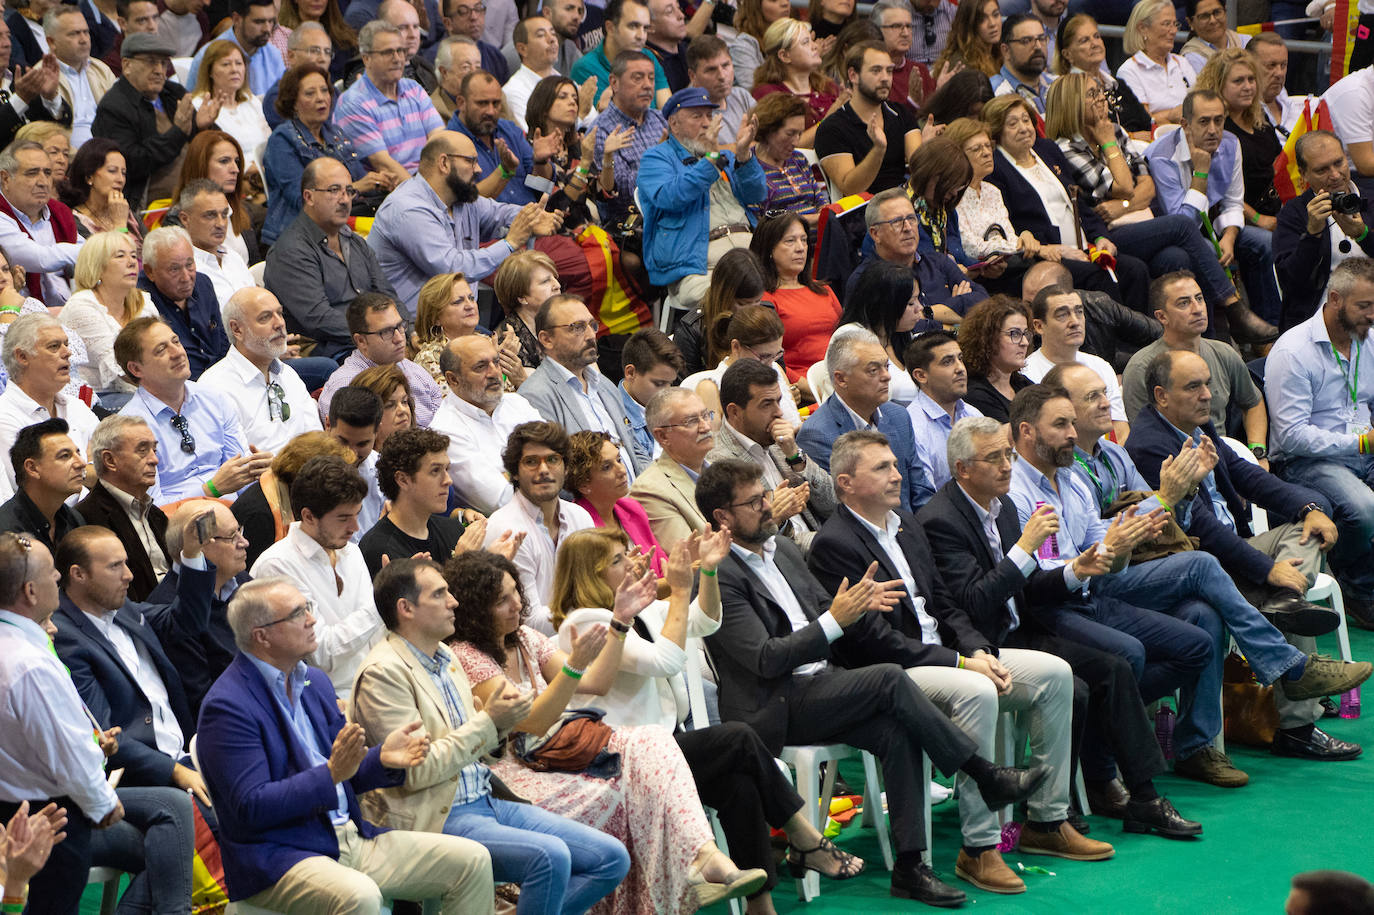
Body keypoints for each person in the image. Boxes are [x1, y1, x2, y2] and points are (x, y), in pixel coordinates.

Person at [695, 457, 1051, 906]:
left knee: (896, 730)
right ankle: (982, 773)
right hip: (774, 705)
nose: (768, 507)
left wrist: (859, 605)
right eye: (753, 503)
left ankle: (910, 867)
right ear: (722, 517)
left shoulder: (783, 550)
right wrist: (834, 620)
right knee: (888, 680)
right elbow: (766, 660)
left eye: (765, 496)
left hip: (820, 684)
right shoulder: (718, 574)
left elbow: (828, 606)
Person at [810, 429, 1107, 893]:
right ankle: (980, 847)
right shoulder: (834, 543)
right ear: (845, 483)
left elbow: (947, 605)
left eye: (894, 464)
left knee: (1055, 674)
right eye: (881, 468)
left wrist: (980, 651)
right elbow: (873, 643)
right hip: (897, 672)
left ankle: (1047, 822)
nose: (895, 475)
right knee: (976, 689)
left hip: (949, 655)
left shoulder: (905, 523)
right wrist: (963, 664)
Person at [916, 415, 1204, 843]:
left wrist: (1075, 571)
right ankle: (1056, 806)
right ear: (962, 469)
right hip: (983, 643)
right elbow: (975, 604)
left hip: (1023, 626)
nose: (1007, 466)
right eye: (993, 458)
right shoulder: (941, 520)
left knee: (1114, 667)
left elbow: (1028, 589)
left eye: (1008, 455)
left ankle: (1141, 796)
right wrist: (1025, 548)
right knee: (1081, 687)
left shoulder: (1004, 506)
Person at [551, 527, 863, 915]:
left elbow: (705, 622)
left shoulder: (636, 609)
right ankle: (802, 835)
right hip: (626, 760)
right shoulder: (586, 620)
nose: (631, 563)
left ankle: (761, 905)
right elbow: (666, 660)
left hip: (665, 747)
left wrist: (709, 574)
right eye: (617, 560)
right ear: (589, 574)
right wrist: (680, 590)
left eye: (625, 553)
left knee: (739, 784)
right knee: (738, 739)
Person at [446, 549, 767, 915]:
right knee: (628, 785)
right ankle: (685, 876)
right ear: (474, 609)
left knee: (652, 741)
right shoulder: (467, 655)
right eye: (502, 600)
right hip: (512, 774)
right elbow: (531, 721)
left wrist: (619, 623)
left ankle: (703, 858)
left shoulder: (526, 638)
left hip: (557, 751)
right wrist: (575, 666)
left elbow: (595, 682)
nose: (516, 604)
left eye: (515, 591)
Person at [197, 576, 496, 913]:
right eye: (297, 614)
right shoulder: (228, 706)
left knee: (471, 861)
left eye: (308, 608)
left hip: (348, 837)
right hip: (281, 856)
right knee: (361, 896)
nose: (312, 619)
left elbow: (346, 774)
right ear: (261, 635)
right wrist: (330, 773)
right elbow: (251, 807)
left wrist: (382, 759)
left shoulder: (314, 682)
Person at [351, 556, 630, 915]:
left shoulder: (445, 656)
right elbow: (415, 773)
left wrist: (499, 725)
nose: (453, 601)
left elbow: (481, 749)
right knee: (550, 857)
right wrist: (489, 723)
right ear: (406, 608)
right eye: (439, 595)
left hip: (483, 797)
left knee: (610, 858)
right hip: (436, 813)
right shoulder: (383, 673)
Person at [1125, 350, 1367, 762]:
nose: (1208, 395)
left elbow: (1249, 475)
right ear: (1162, 396)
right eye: (1194, 387)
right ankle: (1298, 727)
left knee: (1303, 537)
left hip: (1233, 550)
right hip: (1195, 562)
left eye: (1208, 384)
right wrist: (1266, 569)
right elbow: (1202, 528)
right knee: (1284, 583)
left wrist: (1310, 509)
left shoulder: (1197, 425)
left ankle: (1285, 604)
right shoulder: (1150, 446)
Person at [1046, 71, 1249, 325]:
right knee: (1182, 225)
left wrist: (1124, 205)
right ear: (1070, 103)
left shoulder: (1116, 130)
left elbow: (1147, 185)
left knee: (1178, 258)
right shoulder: (1067, 148)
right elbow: (1125, 185)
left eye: (1100, 92)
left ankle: (1201, 341)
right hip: (1109, 235)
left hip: (1142, 226)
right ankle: (1232, 306)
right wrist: (1109, 144)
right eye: (1092, 94)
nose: (1101, 99)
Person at [0, 531, 131, 915]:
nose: (58, 577)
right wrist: (104, 804)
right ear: (30, 591)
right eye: (51, 574)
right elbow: (67, 754)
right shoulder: (28, 664)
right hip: (47, 822)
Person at [53, 523, 212, 801]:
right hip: (151, 775)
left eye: (126, 563)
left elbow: (187, 622)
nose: (129, 575)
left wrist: (192, 554)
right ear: (78, 574)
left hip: (188, 751)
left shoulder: (122, 607)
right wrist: (174, 771)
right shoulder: (65, 639)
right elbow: (104, 733)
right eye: (115, 566)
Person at [1265, 257, 1374, 629]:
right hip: (1304, 461)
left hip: (1363, 448)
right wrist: (1359, 444)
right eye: (1364, 306)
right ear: (1335, 299)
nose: (1371, 315)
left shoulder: (1369, 339)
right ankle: (1358, 588)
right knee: (1363, 507)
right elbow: (1291, 435)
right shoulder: (1293, 351)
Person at [984, 94, 1153, 316]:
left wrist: (1101, 237)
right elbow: (1008, 226)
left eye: (1026, 120)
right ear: (998, 132)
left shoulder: (1047, 150)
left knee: (1135, 270)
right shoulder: (997, 169)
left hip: (1084, 247)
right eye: (1012, 124)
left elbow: (1079, 203)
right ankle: (1115, 346)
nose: (1024, 128)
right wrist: (1046, 249)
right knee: (1099, 277)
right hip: (1048, 254)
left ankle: (1139, 338)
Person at [368, 131, 561, 316]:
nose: (478, 169)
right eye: (470, 161)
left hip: (455, 326)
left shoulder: (461, 198)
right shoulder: (408, 209)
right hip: (411, 334)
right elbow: (452, 268)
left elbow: (498, 212)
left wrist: (533, 217)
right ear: (444, 163)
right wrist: (510, 243)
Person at [1145, 88, 1283, 334]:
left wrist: (1229, 237)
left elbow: (1233, 201)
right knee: (1207, 250)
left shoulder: (1230, 143)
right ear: (1185, 124)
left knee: (1263, 242)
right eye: (1204, 122)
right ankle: (1214, 336)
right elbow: (1182, 222)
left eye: (1218, 120)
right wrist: (1201, 172)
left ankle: (1269, 332)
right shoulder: (1162, 156)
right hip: (1170, 237)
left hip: (1215, 227)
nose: (1213, 130)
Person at [248, 454, 383, 696]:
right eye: (343, 518)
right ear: (308, 516)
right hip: (323, 699)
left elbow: (376, 638)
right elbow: (323, 653)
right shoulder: (277, 566)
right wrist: (383, 602)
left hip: (377, 683)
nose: (355, 528)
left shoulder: (352, 551)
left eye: (357, 514)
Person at [115, 316, 274, 503]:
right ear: (136, 369)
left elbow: (241, 475)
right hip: (179, 525)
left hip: (236, 512)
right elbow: (151, 509)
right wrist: (211, 489)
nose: (177, 353)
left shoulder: (214, 398)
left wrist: (261, 472)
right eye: (161, 350)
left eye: (176, 342)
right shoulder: (130, 427)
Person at [637, 86, 762, 312]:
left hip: (751, 258)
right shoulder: (656, 157)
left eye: (709, 115)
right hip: (699, 269)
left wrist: (744, 155)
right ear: (673, 124)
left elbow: (757, 195)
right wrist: (711, 161)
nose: (706, 123)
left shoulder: (726, 155)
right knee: (742, 298)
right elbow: (670, 197)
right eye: (697, 116)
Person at [265, 157, 397, 361]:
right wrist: (378, 331)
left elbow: (387, 293)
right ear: (309, 197)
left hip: (373, 340)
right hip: (327, 350)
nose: (345, 200)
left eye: (349, 191)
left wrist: (404, 328)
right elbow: (318, 319)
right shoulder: (290, 251)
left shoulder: (355, 241)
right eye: (334, 190)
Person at [1122, 271, 1267, 441]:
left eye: (1199, 299)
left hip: (1225, 456)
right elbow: (1142, 437)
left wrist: (1257, 450)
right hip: (1175, 458)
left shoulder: (1223, 353)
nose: (1197, 309)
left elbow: (1253, 402)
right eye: (1184, 303)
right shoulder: (1141, 367)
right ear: (1162, 317)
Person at [797, 330, 932, 511]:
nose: (886, 376)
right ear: (841, 378)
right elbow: (845, 509)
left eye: (886, 366)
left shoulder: (899, 415)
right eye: (873, 370)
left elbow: (920, 489)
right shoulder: (818, 434)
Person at [707, 358, 835, 549]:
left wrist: (795, 457)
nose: (778, 413)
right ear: (734, 412)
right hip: (790, 555)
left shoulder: (777, 440)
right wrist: (777, 518)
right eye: (766, 404)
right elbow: (748, 542)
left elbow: (832, 504)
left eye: (778, 401)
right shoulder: (719, 463)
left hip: (822, 538)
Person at [483, 421, 594, 633]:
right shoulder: (506, 529)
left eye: (553, 459)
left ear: (566, 467)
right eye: (531, 462)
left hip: (581, 637)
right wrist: (595, 606)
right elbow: (530, 622)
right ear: (514, 472)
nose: (543, 470)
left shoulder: (581, 517)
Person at [518, 293, 647, 475]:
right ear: (547, 339)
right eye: (577, 327)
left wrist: (649, 490)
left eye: (592, 325)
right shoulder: (535, 396)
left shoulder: (603, 384)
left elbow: (634, 447)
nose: (590, 335)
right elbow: (555, 473)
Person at [262, 64, 384, 245]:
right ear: (293, 102)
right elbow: (301, 199)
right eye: (310, 93)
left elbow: (361, 177)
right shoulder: (282, 140)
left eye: (324, 91)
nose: (321, 98)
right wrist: (356, 188)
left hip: (339, 224)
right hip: (297, 235)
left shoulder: (334, 134)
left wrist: (381, 182)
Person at [93, 33, 218, 208]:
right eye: (151, 62)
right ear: (127, 65)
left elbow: (202, 141)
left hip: (196, 194)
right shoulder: (113, 108)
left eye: (163, 63)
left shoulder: (173, 93)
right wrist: (178, 132)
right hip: (149, 204)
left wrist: (201, 127)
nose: (159, 70)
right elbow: (133, 163)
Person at [845, 188, 987, 333]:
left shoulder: (937, 262)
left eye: (911, 219)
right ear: (875, 234)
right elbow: (897, 329)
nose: (908, 228)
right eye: (897, 222)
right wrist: (952, 317)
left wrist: (926, 313)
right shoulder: (864, 281)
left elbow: (982, 301)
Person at [201, 287, 323, 453]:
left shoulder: (289, 375)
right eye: (265, 317)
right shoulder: (215, 388)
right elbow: (233, 465)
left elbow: (316, 438)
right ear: (237, 329)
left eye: (280, 313)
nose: (279, 323)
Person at [1273, 131, 1374, 331]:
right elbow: (1291, 284)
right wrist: (1312, 234)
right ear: (1304, 174)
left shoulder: (1371, 198)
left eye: (1338, 163)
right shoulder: (1293, 214)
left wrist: (1363, 234)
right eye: (1322, 170)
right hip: (1323, 321)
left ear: (1347, 158)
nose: (1335, 175)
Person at [429, 334, 541, 514]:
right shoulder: (445, 431)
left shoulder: (517, 403)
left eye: (496, 362)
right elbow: (502, 500)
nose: (494, 373)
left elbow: (563, 461)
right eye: (480, 367)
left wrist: (510, 475)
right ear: (453, 379)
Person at [0, 314, 99, 503]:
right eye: (54, 346)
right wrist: (90, 469)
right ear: (22, 356)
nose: (68, 353)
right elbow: (38, 489)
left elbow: (115, 466)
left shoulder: (76, 406)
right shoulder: (4, 416)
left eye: (66, 344)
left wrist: (70, 471)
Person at [334, 20, 444, 184]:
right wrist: (425, 195)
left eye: (400, 51)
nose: (398, 59)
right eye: (388, 53)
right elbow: (383, 164)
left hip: (429, 180)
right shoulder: (353, 103)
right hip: (390, 194)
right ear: (366, 59)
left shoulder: (414, 88)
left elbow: (440, 138)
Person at [59, 230, 157, 405]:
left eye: (134, 256)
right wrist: (167, 387)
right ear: (97, 266)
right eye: (120, 256)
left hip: (143, 390)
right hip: (96, 399)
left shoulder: (143, 301)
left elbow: (161, 349)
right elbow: (120, 368)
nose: (131, 262)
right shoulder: (81, 305)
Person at [1021, 286, 1130, 442]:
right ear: (1039, 326)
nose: (1074, 322)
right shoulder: (1026, 374)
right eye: (1062, 315)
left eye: (1079, 312)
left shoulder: (1101, 366)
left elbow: (1120, 431)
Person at [316, 292, 442, 427]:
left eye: (400, 326)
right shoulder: (345, 387)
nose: (399, 338)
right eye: (386, 332)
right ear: (361, 341)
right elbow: (352, 444)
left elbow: (444, 420)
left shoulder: (413, 369)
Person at [75, 414, 168, 598]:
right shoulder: (88, 521)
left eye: (154, 450)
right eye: (142, 450)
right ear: (110, 460)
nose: (154, 459)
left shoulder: (156, 515)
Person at [816, 41, 921, 197]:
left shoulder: (901, 114)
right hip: (863, 212)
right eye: (876, 71)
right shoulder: (832, 128)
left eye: (889, 71)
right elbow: (850, 188)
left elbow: (920, 168)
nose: (885, 78)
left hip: (904, 202)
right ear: (853, 75)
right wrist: (878, 150)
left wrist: (930, 151)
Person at [1195, 49, 1281, 233]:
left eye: (1251, 79)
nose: (1248, 86)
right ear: (1218, 85)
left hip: (1275, 209)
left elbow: (1277, 163)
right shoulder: (1214, 128)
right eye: (1238, 81)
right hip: (1235, 219)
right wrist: (1259, 219)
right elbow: (1218, 190)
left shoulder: (1260, 118)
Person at [750, 213, 841, 389]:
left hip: (840, 380)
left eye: (804, 240)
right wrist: (813, 388)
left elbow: (846, 338)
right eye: (790, 241)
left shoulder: (824, 290)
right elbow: (769, 358)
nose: (801, 248)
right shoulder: (764, 299)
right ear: (769, 248)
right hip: (798, 387)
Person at [627, 387, 717, 554]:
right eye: (691, 421)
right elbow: (688, 558)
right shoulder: (650, 490)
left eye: (705, 415)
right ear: (663, 436)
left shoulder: (721, 471)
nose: (705, 427)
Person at [567, 430, 666, 576]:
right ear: (583, 484)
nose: (621, 470)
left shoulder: (631, 509)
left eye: (619, 460)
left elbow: (663, 566)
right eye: (607, 467)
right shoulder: (578, 526)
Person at [156, 202, 241, 371]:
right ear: (151, 271)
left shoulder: (203, 283)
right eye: (174, 269)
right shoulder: (144, 298)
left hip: (221, 376)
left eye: (190, 265)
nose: (186, 277)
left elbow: (223, 345)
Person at [0, 139, 81, 307]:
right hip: (24, 319)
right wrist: (95, 250)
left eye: (47, 173)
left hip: (67, 311)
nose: (43, 182)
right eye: (32, 173)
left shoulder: (59, 212)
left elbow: (90, 253)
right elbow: (40, 259)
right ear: (5, 178)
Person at [904, 331, 984, 492]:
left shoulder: (973, 415)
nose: (960, 368)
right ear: (921, 375)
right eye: (947, 362)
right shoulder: (913, 426)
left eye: (960, 359)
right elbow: (926, 497)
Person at [834, 260, 921, 406]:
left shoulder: (902, 335)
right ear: (886, 305)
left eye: (919, 299)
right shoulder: (851, 339)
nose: (920, 308)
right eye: (911, 303)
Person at [1052, 13, 1152, 138]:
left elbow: (1148, 124)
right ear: (1067, 54)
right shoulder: (1068, 91)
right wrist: (1131, 137)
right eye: (1085, 40)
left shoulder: (1117, 85)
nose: (1095, 43)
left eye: (1097, 36)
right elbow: (1084, 136)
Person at [171, 128, 261, 266]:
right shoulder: (176, 218)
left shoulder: (243, 211)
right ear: (201, 165)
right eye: (224, 161)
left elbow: (256, 264)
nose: (235, 169)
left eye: (236, 161)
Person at [674, 248, 766, 377]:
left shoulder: (767, 314)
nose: (750, 311)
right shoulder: (691, 330)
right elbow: (685, 387)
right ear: (722, 295)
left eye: (757, 301)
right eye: (742, 304)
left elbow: (778, 371)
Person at [189, 40, 272, 181]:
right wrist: (250, 169)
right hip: (232, 180)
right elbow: (211, 157)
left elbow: (269, 142)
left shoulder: (251, 101)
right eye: (226, 64)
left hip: (265, 172)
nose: (234, 69)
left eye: (239, 63)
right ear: (210, 71)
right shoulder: (200, 106)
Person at [750, 19, 840, 149]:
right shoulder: (769, 94)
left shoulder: (829, 87)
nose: (815, 46)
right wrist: (828, 120)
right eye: (805, 42)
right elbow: (784, 147)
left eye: (812, 40)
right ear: (785, 55)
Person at [0, 419, 85, 550]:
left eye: (78, 453)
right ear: (32, 468)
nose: (81, 463)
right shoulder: (6, 533)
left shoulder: (74, 520)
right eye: (65, 456)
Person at [748, 92, 830, 227]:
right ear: (768, 129)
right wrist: (817, 219)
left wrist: (825, 217)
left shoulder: (798, 159)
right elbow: (763, 223)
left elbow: (819, 200)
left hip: (819, 237)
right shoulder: (750, 168)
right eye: (790, 133)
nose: (796, 142)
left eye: (799, 134)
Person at [571, 0, 670, 108]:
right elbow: (607, 120)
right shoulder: (585, 68)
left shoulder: (648, 56)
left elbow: (668, 112)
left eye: (645, 28)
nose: (641, 36)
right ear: (610, 28)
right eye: (633, 26)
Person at [1115, 0, 1196, 126]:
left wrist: (1162, 116)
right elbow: (1143, 121)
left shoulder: (1182, 63)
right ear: (1143, 28)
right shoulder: (1129, 71)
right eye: (1166, 24)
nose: (1174, 31)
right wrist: (1172, 114)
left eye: (1175, 24)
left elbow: (1202, 105)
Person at [958, 295, 1034, 423]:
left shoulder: (1024, 385)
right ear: (987, 338)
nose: (1025, 342)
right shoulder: (975, 394)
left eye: (1025, 333)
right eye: (1014, 334)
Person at [48, 7, 114, 148]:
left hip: (109, 150)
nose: (84, 39)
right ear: (51, 42)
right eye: (74, 34)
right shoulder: (43, 75)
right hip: (70, 157)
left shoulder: (101, 69)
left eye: (86, 32)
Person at [57, 137, 144, 243]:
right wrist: (120, 224)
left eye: (123, 173)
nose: (120, 179)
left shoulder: (128, 215)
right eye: (112, 171)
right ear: (89, 176)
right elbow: (109, 257)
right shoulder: (74, 221)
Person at [687, 35, 755, 145]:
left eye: (725, 65)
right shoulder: (687, 114)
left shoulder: (742, 96)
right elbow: (707, 156)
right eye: (711, 70)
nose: (722, 76)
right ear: (692, 76)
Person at [505, 16, 565, 130]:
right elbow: (530, 137)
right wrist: (580, 115)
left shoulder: (563, 81)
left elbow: (592, 121)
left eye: (553, 33)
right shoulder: (514, 92)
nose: (552, 39)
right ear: (522, 49)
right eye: (541, 35)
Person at [991, 14, 1053, 114]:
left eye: (1041, 39)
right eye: (1026, 41)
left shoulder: (1057, 84)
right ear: (1006, 51)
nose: (1038, 46)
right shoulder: (995, 94)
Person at [438, 0, 508, 83]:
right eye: (463, 11)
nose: (474, 17)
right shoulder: (436, 57)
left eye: (478, 9)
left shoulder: (494, 55)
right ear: (448, 23)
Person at [1249, 32, 1304, 136]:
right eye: (1271, 65)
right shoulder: (1241, 116)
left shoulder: (1298, 109)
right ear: (1249, 66)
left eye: (1283, 65)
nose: (1279, 73)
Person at [932, 0, 1001, 80]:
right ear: (969, 25)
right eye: (982, 19)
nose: (992, 24)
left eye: (995, 15)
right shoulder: (960, 66)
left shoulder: (1000, 52)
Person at [1179, 0, 1249, 74]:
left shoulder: (1245, 41)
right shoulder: (1192, 58)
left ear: (1225, 11)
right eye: (1204, 16)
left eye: (1217, 12)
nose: (1213, 21)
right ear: (1190, 22)